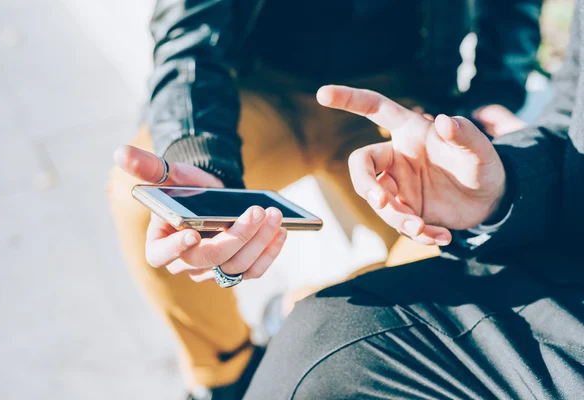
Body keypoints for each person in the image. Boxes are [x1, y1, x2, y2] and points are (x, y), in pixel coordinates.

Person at [107, 0, 542, 398]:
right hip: (257, 82)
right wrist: (198, 155)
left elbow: (513, 10)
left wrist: (490, 99)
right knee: (147, 207)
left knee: (449, 241)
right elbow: (187, 27)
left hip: (395, 97)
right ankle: (226, 373)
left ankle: (303, 318)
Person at [243, 4, 584, 398]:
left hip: (405, 82)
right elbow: (570, 122)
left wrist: (492, 91)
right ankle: (226, 374)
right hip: (262, 82)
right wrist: (504, 187)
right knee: (324, 332)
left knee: (398, 275)